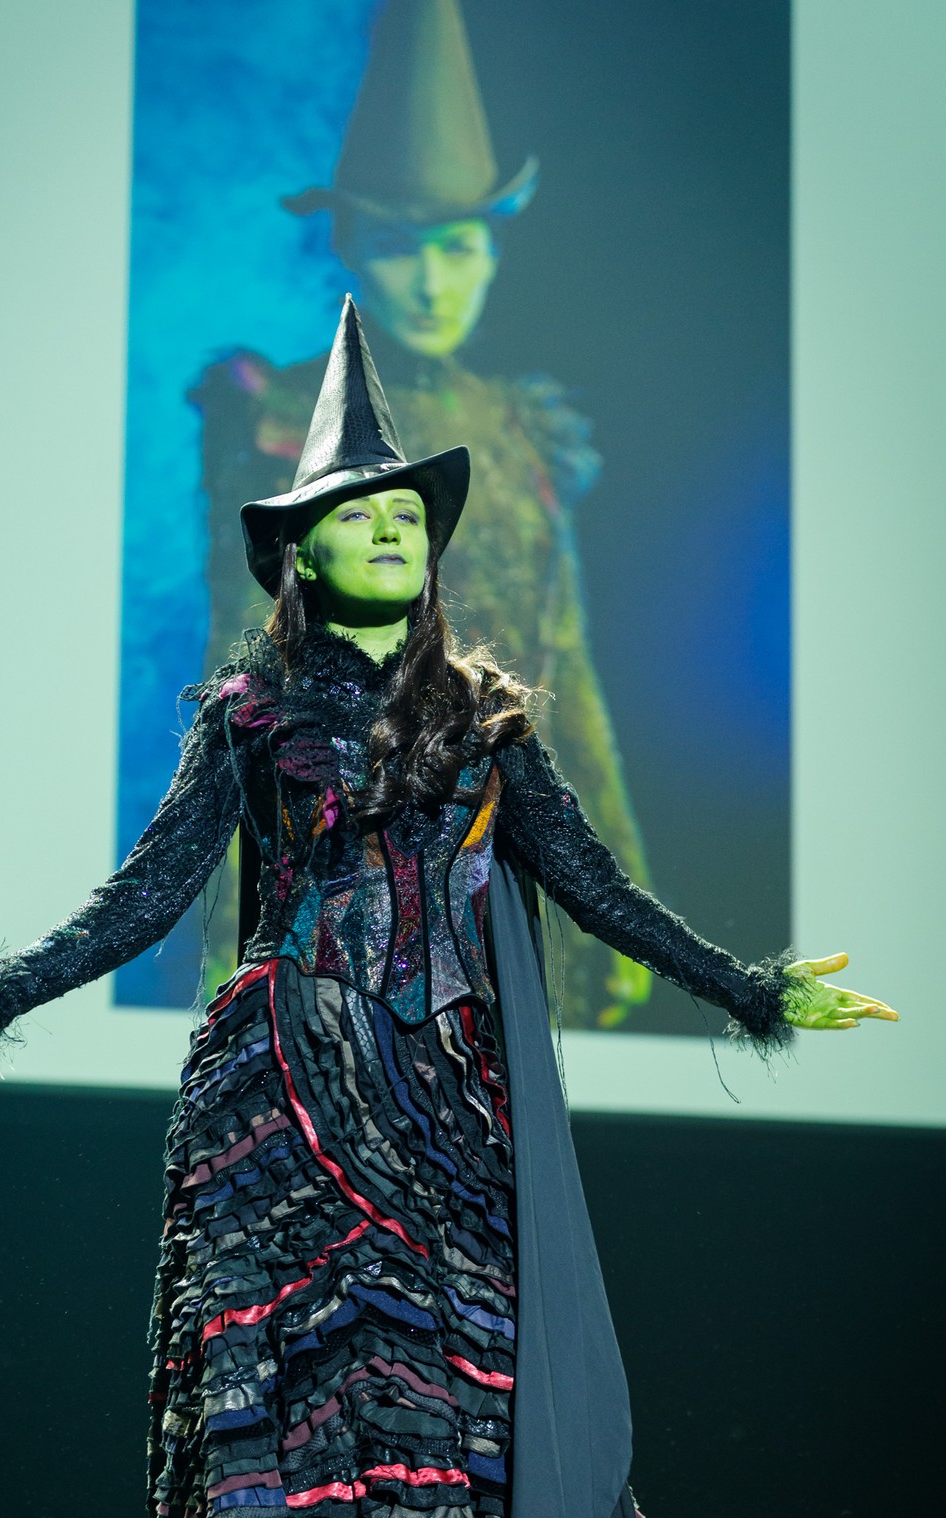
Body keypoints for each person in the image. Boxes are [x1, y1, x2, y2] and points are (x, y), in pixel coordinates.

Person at [0, 300, 895, 1518]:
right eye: (353, 513)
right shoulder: (244, 717)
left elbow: (595, 888)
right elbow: (152, 893)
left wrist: (752, 990)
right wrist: (4, 983)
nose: (386, 529)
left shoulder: (488, 721)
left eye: (402, 514)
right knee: (297, 1429)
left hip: (441, 1106)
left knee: (466, 1416)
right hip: (276, 1104)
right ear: (297, 552)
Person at [193, 0, 653, 1029]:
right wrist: (235, 920)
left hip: (506, 845)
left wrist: (615, 893)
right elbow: (241, 669)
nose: (434, 283)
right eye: (401, 248)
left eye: (459, 248)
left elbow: (567, 672)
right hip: (343, 852)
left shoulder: (519, 427)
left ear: (493, 254)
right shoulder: (279, 418)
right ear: (351, 249)